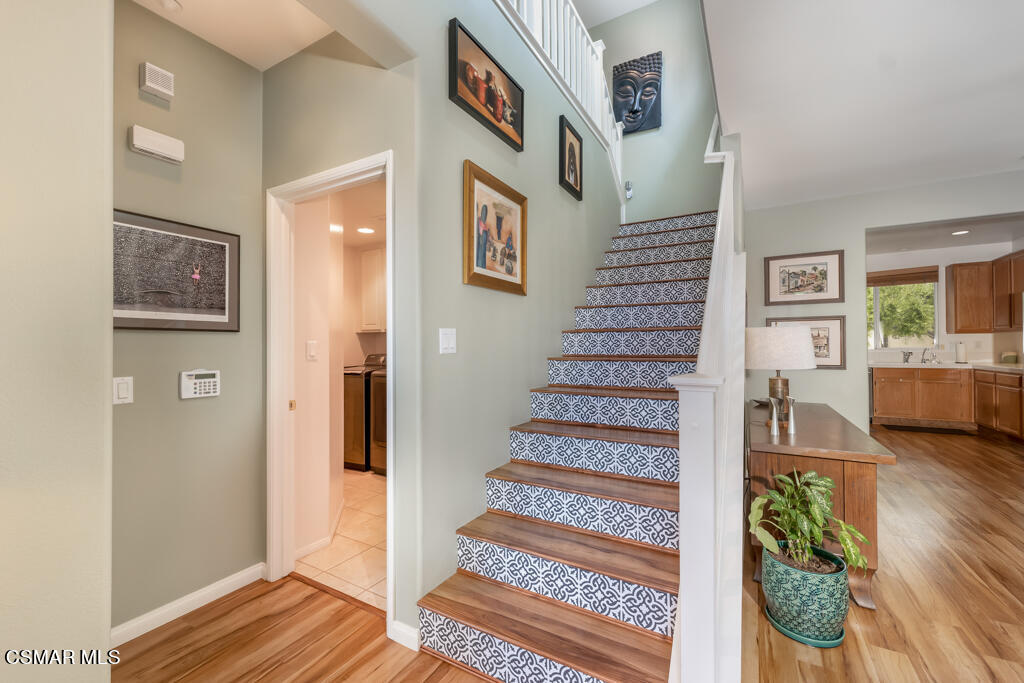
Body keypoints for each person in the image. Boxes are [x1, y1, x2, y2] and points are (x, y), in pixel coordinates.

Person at [475, 203, 489, 269]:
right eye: (483, 212)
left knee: (483, 258)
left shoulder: (486, 227)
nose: (484, 215)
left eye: (485, 213)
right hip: (479, 248)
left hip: (483, 249)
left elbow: (487, 239)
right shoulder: (478, 222)